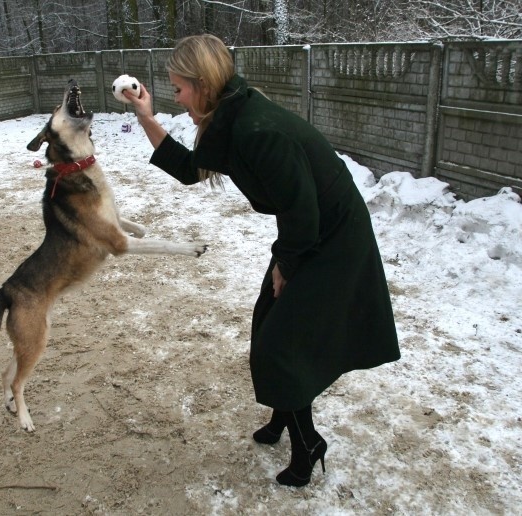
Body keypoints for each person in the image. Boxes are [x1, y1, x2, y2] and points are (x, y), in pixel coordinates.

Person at [125, 34, 400, 487]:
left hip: (331, 239)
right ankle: (281, 418)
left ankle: (308, 443)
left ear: (203, 84)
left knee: (281, 344)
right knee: (270, 321)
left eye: (179, 89)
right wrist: (145, 115)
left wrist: (285, 267)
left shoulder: (257, 129)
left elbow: (304, 213)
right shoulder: (232, 116)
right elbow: (191, 170)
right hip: (306, 231)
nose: (177, 98)